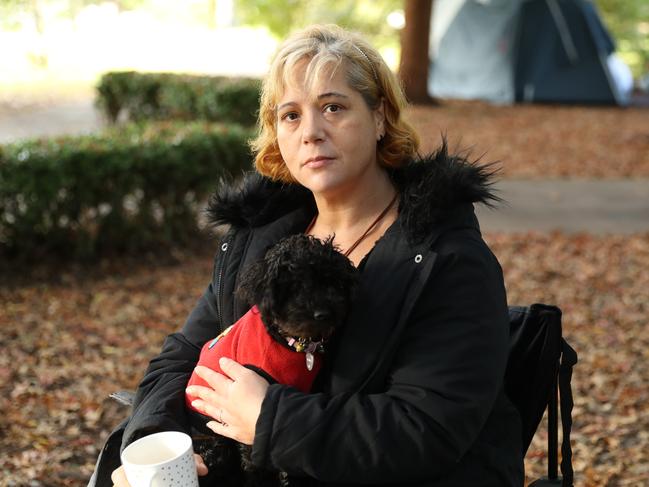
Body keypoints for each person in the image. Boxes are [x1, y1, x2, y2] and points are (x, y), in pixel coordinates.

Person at [95, 24, 524, 487]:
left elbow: (426, 431)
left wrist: (268, 419)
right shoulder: (263, 237)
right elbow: (183, 354)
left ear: (380, 117)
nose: (311, 133)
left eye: (333, 107)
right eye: (291, 115)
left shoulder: (446, 258)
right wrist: (157, 440)